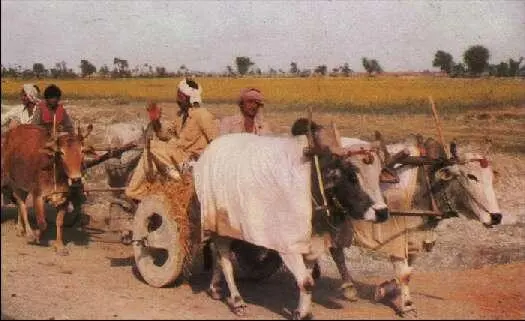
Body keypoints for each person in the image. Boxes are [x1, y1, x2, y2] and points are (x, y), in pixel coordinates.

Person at [125, 78, 219, 201]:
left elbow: (216, 143)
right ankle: (145, 189)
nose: (177, 99)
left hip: (191, 162)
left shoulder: (202, 115)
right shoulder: (181, 115)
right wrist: (155, 121)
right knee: (152, 145)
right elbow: (164, 135)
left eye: (180, 96)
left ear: (187, 98)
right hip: (178, 156)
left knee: (152, 149)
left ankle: (135, 191)